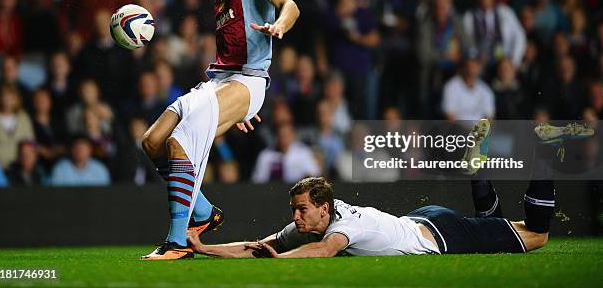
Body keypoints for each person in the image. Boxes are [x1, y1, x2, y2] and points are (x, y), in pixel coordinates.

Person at [141, 0, 300, 260]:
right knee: (153, 141)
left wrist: (279, 27)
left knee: (179, 141)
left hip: (247, 80)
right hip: (221, 82)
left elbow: (290, 5)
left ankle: (177, 242)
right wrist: (233, 104)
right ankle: (203, 213)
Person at [187, 122, 559, 258]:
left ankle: (543, 156)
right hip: (422, 221)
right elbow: (257, 247)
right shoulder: (315, 222)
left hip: (439, 236)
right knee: (492, 228)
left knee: (538, 236)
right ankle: (476, 170)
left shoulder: (342, 229)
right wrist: (204, 248)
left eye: (301, 209)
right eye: (295, 209)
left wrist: (281, 260)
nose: (295, 215)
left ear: (324, 207)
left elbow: (324, 250)